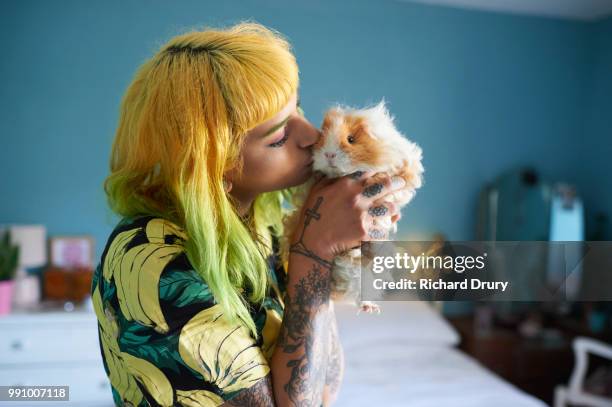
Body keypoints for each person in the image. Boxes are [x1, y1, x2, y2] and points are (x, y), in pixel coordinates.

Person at [91, 21, 407, 407]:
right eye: (278, 137)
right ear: (213, 165)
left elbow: (326, 388)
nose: (311, 136)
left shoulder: (263, 221)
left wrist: (327, 245)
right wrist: (314, 253)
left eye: (298, 110)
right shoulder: (154, 263)